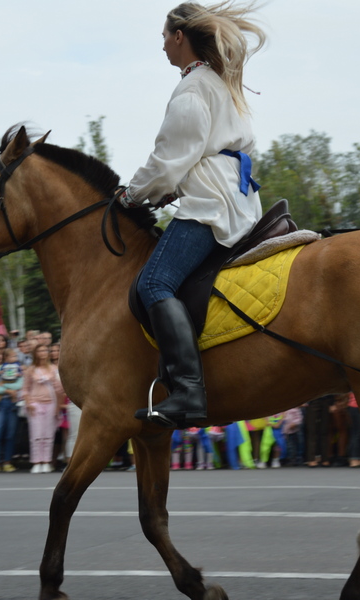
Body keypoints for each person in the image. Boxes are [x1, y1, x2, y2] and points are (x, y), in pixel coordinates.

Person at [120, 2, 266, 428]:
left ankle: (187, 390)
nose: (163, 46)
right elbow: (189, 160)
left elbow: (167, 161)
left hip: (211, 203)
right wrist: (169, 188)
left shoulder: (191, 88)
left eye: (165, 37)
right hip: (234, 197)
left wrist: (132, 195)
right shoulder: (217, 82)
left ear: (179, 36)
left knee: (154, 281)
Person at [23, 344, 65, 473]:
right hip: (35, 404)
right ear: (35, 353)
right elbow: (25, 389)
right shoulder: (30, 370)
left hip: (50, 403)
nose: (43, 353)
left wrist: (58, 406)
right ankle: (36, 462)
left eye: (44, 350)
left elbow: (59, 389)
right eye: (40, 350)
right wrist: (28, 402)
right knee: (36, 435)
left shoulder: (53, 369)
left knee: (48, 435)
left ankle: (46, 461)